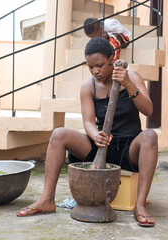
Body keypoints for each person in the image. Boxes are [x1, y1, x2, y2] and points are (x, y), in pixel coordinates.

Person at [16, 37, 158, 228]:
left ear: (112, 59)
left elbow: (148, 110)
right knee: (59, 134)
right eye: (90, 67)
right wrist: (95, 135)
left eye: (99, 65)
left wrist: (128, 85)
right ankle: (47, 200)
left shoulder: (132, 77)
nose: (95, 71)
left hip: (128, 148)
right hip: (99, 147)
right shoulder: (88, 86)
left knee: (150, 136)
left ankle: (139, 205)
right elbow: (88, 122)